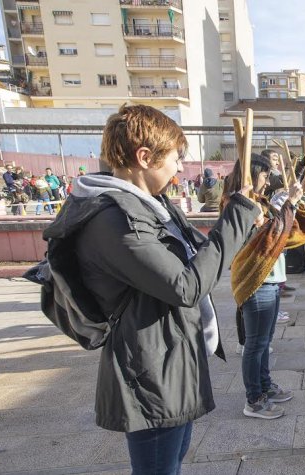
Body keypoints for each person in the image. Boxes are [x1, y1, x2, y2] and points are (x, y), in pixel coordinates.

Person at [42, 104, 260, 474]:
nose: (179, 168)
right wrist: (237, 216)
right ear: (144, 157)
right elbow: (186, 284)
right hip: (151, 372)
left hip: (172, 359)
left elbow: (196, 255)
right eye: (176, 158)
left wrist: (242, 220)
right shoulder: (113, 221)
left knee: (171, 461)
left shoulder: (150, 206)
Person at [224, 154, 305, 420]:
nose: (268, 180)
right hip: (256, 281)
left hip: (270, 278)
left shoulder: (256, 202)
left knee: (264, 341)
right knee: (255, 344)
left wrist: (289, 203)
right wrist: (289, 203)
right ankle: (254, 399)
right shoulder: (238, 205)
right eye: (264, 175)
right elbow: (270, 234)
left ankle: (265, 386)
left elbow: (277, 225)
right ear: (251, 174)